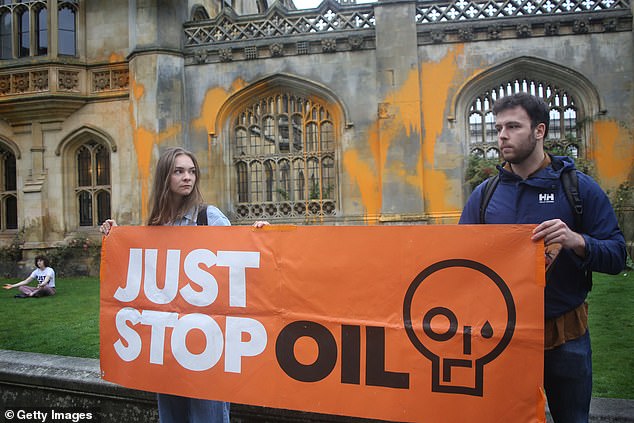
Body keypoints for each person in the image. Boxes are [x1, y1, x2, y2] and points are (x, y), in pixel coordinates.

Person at [459, 92, 626, 423]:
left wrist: (576, 240)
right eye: (498, 127)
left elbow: (617, 256)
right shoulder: (485, 194)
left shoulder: (579, 189)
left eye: (513, 126)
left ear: (539, 131)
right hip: (503, 337)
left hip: (566, 337)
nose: (502, 135)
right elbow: (461, 263)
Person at [100, 147, 267, 423]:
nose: (187, 177)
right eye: (179, 171)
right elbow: (142, 273)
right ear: (165, 176)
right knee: (172, 414)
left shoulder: (208, 217)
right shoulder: (156, 225)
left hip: (208, 338)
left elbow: (238, 259)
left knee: (208, 415)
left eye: (191, 171)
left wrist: (258, 237)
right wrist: (115, 236)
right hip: (168, 339)